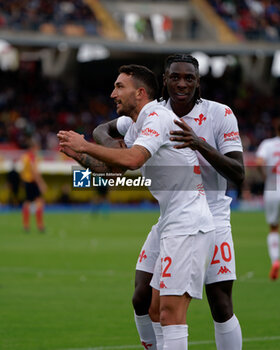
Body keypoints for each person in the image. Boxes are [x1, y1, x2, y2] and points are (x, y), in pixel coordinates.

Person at [58, 64, 216, 350]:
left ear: (140, 93)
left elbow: (132, 160)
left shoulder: (157, 117)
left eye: (120, 87)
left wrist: (85, 145)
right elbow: (114, 169)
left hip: (188, 222)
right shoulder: (137, 124)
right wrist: (78, 157)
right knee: (145, 302)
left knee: (170, 313)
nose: (112, 93)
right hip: (169, 220)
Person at [93, 54, 244, 350]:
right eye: (175, 77)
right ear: (164, 80)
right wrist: (113, 149)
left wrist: (198, 143)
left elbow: (238, 173)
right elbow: (103, 130)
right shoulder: (152, 112)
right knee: (142, 297)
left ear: (198, 82)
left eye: (189, 78)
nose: (182, 83)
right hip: (172, 216)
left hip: (211, 215)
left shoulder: (219, 114)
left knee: (220, 303)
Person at [256, 121, 280, 280]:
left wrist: (265, 176)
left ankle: (275, 261)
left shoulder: (268, 144)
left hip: (272, 188)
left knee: (273, 228)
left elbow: (259, 162)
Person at [20, 137, 47, 232]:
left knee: (27, 203)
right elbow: (34, 172)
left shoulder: (24, 157)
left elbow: (23, 172)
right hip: (33, 182)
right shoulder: (32, 157)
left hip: (27, 182)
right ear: (34, 147)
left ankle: (26, 225)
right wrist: (41, 184)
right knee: (39, 202)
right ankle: (40, 226)